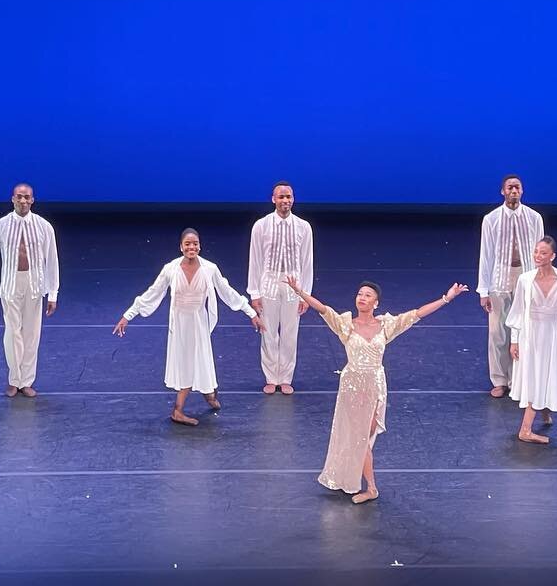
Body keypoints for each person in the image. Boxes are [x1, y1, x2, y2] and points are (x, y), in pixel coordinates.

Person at [284, 274, 469, 504]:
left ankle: (365, 485)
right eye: (360, 294)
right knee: (356, 438)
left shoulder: (386, 325)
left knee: (364, 437)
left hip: (375, 386)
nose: (362, 298)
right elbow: (323, 309)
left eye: (367, 295)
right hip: (351, 387)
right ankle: (369, 487)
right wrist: (299, 292)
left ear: (376, 303)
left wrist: (446, 298)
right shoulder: (345, 324)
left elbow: (417, 314)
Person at [113, 228, 264, 426]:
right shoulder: (171, 269)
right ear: (181, 247)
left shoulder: (210, 269)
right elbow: (152, 294)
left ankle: (209, 394)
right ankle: (178, 410)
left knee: (202, 361)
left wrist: (251, 313)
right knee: (186, 364)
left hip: (198, 323)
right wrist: (128, 315)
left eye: (195, 244)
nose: (191, 247)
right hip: (180, 327)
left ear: (199, 246)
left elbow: (228, 292)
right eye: (187, 244)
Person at [0, 182, 60, 398]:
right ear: (12, 199)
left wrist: (53, 293)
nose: (23, 201)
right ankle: (14, 378)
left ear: (32, 200)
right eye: (19, 197)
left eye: (27, 197)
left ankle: (27, 381)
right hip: (10, 284)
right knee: (13, 332)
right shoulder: (0, 226)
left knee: (32, 334)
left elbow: (52, 261)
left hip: (35, 284)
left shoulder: (44, 227)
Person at [477, 175, 543, 398]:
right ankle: (499, 379)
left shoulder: (534, 218)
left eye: (517, 187)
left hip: (526, 276)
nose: (514, 190)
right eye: (510, 187)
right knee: (497, 331)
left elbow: (541, 253)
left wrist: (541, 282)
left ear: (522, 191)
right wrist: (483, 290)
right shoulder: (491, 219)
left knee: (523, 329)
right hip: (500, 277)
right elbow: (485, 255)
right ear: (502, 191)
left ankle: (517, 379)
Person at [247, 181, 314, 395]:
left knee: (289, 332)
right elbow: (255, 259)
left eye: (289, 197)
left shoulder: (303, 227)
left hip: (293, 285)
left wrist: (306, 295)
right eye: (281, 197)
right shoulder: (261, 225)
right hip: (268, 284)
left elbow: (307, 262)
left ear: (293, 199)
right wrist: (254, 292)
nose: (286, 200)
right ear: (273, 199)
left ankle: (285, 377)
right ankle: (270, 377)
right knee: (268, 331)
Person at [506, 235, 557, 444]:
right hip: (530, 335)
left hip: (551, 335)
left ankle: (543, 410)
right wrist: (515, 340)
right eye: (536, 251)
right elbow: (517, 311)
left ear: (552, 256)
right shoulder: (525, 280)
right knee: (534, 376)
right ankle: (525, 430)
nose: (538, 256)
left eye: (543, 253)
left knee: (545, 372)